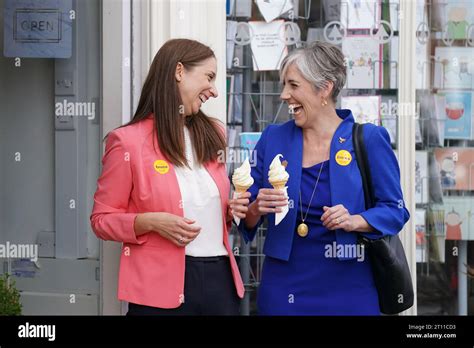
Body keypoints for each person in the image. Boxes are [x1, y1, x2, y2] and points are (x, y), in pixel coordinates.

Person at [233, 41, 410, 315]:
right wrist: (256, 208)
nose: (283, 95)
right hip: (283, 289)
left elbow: (395, 211)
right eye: (284, 85)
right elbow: (245, 216)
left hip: (350, 289)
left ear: (324, 88)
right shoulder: (273, 138)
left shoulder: (369, 139)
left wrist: (355, 220)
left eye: (293, 85)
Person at [90, 38, 246, 315]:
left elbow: (209, 210)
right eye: (209, 77)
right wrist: (149, 222)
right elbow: (101, 220)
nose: (214, 91)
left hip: (220, 282)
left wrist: (229, 211)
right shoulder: (127, 142)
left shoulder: (215, 133)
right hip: (158, 291)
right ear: (178, 71)